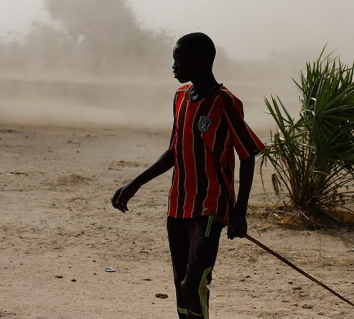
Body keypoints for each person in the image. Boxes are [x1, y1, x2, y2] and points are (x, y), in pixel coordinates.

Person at [111, 32, 264, 319]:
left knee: (194, 282)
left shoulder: (225, 102)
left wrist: (240, 212)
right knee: (180, 285)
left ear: (201, 62)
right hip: (178, 205)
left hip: (210, 206)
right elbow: (174, 151)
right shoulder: (181, 97)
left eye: (178, 60)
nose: (173, 67)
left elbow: (247, 155)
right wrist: (134, 184)